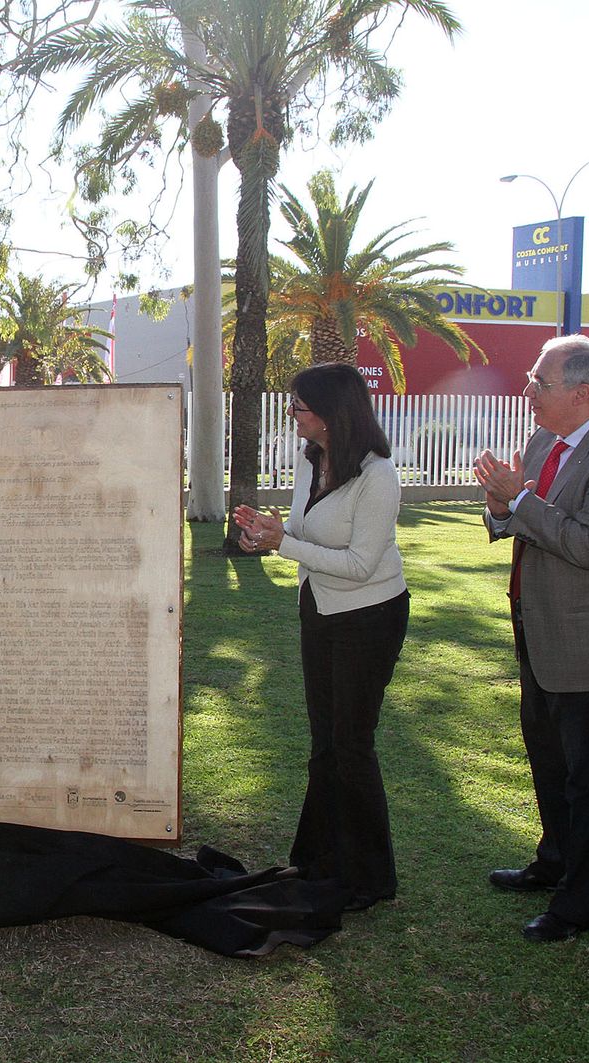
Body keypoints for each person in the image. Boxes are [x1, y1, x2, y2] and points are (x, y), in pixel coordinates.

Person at [470, 335, 589, 943]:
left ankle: (578, 905)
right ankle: (554, 862)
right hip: (540, 629)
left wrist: (518, 498)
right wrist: (501, 507)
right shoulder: (544, 438)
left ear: (582, 392)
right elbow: (516, 524)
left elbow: (585, 544)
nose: (527, 393)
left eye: (537, 382)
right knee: (549, 761)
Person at [233, 363, 409, 912]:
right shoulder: (314, 460)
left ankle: (371, 878)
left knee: (352, 745)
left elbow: (359, 564)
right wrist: (266, 534)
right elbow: (306, 532)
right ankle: (317, 860)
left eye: (299, 407)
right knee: (324, 744)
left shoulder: (378, 476)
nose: (291, 414)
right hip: (320, 610)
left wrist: (283, 544)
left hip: (370, 615)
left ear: (333, 415)